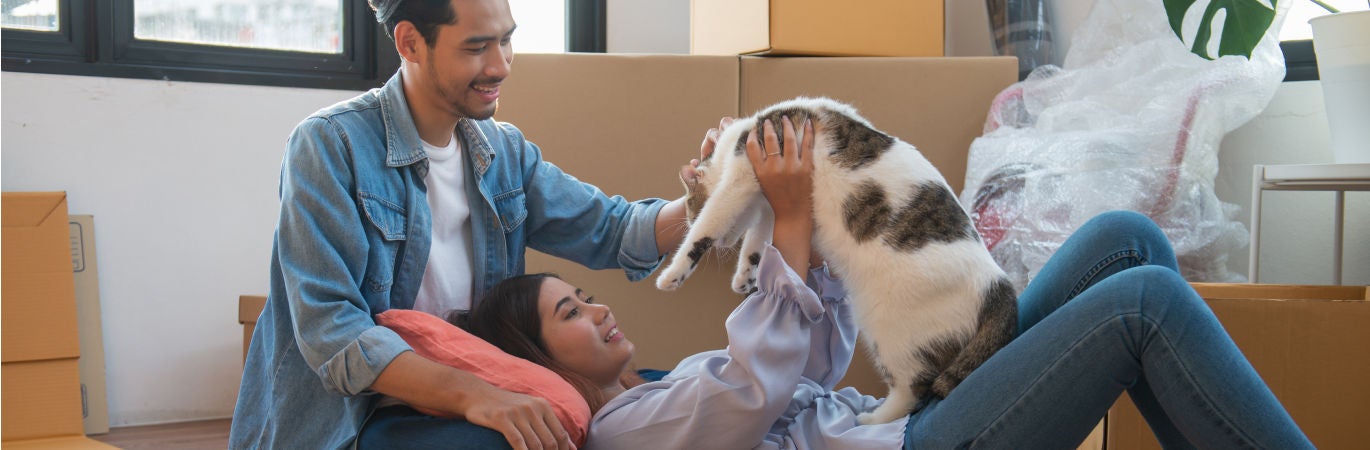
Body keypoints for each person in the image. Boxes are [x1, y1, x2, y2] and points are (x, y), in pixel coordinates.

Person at [451, 117, 1316, 449]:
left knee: (1121, 241)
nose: (599, 306)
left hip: (915, 410)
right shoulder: (628, 435)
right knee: (1144, 304)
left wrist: (813, 234)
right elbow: (757, 388)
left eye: (586, 294)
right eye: (571, 309)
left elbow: (812, 370)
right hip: (924, 444)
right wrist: (786, 220)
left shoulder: (662, 385)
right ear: (543, 366)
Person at [229, 0, 726, 448]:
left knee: (688, 390)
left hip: (488, 386)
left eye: (506, 40)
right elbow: (331, 330)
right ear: (409, 43)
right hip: (363, 415)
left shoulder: (503, 150)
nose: (500, 65)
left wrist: (714, 194)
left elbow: (616, 230)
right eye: (476, 47)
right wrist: (475, 395)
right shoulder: (330, 145)